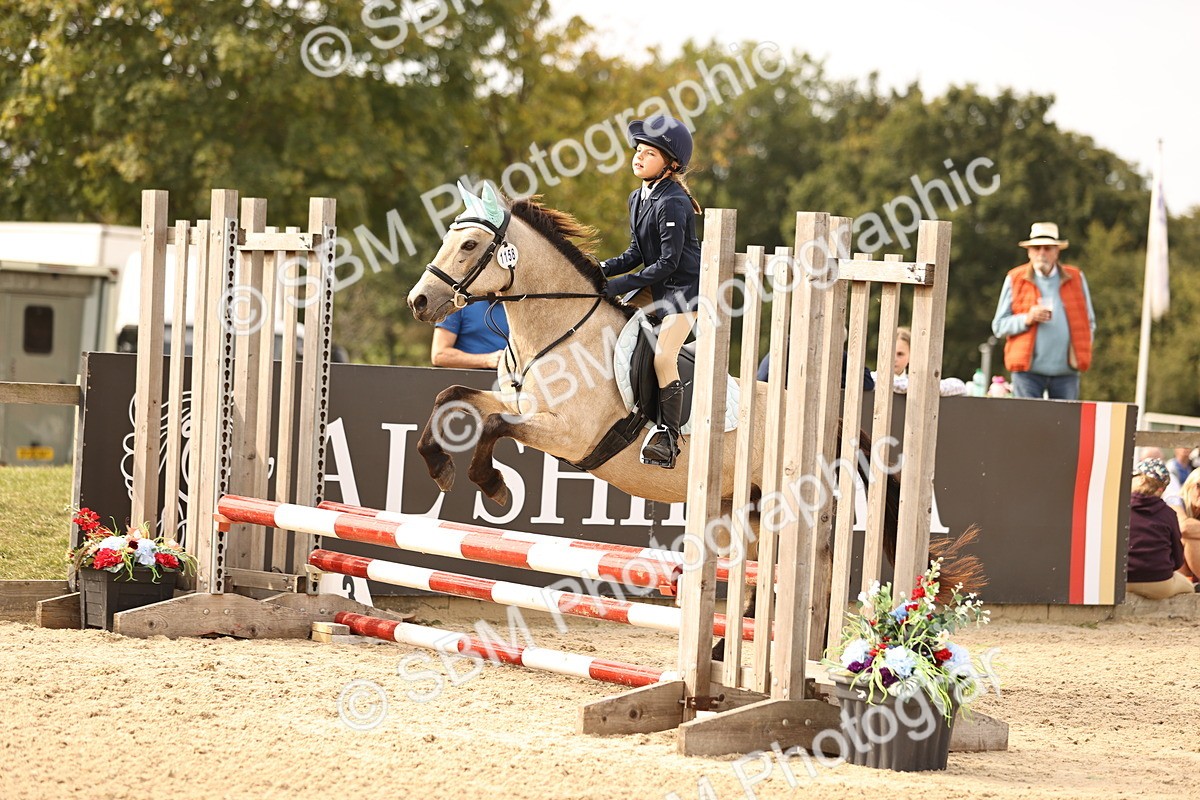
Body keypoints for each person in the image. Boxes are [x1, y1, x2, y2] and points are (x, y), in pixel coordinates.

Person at [600, 114, 703, 469]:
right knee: (605, 315)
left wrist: (617, 284)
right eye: (638, 151)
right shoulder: (638, 197)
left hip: (682, 292)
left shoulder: (672, 202)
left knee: (663, 357)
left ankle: (668, 436)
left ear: (670, 164)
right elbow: (634, 255)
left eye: (649, 153)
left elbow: (669, 264)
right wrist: (598, 270)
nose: (639, 157)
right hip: (655, 284)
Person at [991, 222, 1095, 400]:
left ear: (1057, 251)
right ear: (1029, 252)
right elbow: (999, 326)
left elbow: (1090, 322)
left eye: (1047, 248)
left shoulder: (1076, 277)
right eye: (1036, 248)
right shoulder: (1014, 278)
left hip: (1066, 373)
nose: (1041, 253)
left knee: (1065, 425)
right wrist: (1027, 318)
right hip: (1027, 373)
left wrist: (1081, 350)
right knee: (1027, 425)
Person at [1126, 458, 1195, 599]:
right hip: (1159, 582)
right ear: (1161, 489)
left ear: (1140, 480)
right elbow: (1177, 560)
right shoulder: (1168, 513)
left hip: (1121, 580)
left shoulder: (1118, 508)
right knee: (1188, 587)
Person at [867, 327, 966, 396]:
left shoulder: (915, 381)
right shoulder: (871, 379)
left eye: (900, 354)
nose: (894, 359)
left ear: (911, 356)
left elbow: (960, 386)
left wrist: (928, 388)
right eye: (890, 353)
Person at [431, 302, 509, 369]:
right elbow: (439, 355)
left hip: (509, 379)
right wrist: (486, 360)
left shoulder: (516, 306)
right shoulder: (458, 304)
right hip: (467, 380)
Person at [1170, 468, 1200, 583]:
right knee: (1189, 537)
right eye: (1199, 486)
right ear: (1188, 485)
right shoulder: (1174, 500)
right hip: (1169, 566)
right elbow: (1184, 527)